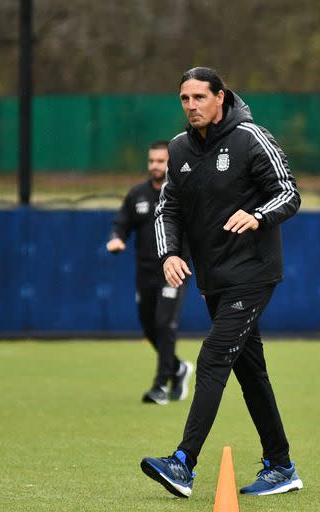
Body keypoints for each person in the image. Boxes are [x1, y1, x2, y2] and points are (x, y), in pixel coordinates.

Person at [139, 67, 303, 499]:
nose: (191, 106)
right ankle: (281, 465)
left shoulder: (252, 137)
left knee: (213, 358)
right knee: (251, 371)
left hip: (253, 273)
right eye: (184, 99)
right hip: (214, 279)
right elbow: (166, 209)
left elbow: (289, 192)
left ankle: (183, 463)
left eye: (199, 97)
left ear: (220, 97)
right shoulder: (178, 149)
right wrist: (170, 253)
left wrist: (258, 215)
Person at [106, 140, 194, 405]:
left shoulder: (182, 193)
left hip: (173, 271)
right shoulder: (137, 195)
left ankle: (160, 386)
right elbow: (121, 223)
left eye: (161, 161)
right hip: (145, 272)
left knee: (164, 323)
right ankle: (178, 369)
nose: (155, 166)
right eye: (152, 161)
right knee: (148, 325)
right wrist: (117, 238)